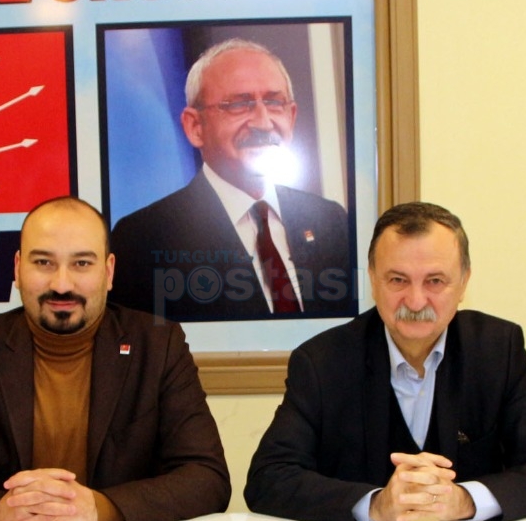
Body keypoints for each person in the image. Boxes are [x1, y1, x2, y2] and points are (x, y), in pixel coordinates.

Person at [0, 196, 231, 521]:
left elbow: (207, 477)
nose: (61, 284)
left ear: (108, 271)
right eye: (43, 262)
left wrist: (102, 508)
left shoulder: (158, 345)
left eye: (81, 264)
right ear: (17, 268)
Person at [245, 202, 526, 521]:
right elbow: (268, 478)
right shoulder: (322, 362)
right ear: (373, 280)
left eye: (435, 281)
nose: (416, 302)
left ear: (464, 282)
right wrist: (375, 505)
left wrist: (464, 500)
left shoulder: (498, 350)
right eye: (398, 280)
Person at [110, 38, 355, 323]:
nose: (263, 122)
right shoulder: (142, 239)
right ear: (195, 126)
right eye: (239, 105)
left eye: (274, 102)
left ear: (291, 115)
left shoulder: (331, 221)